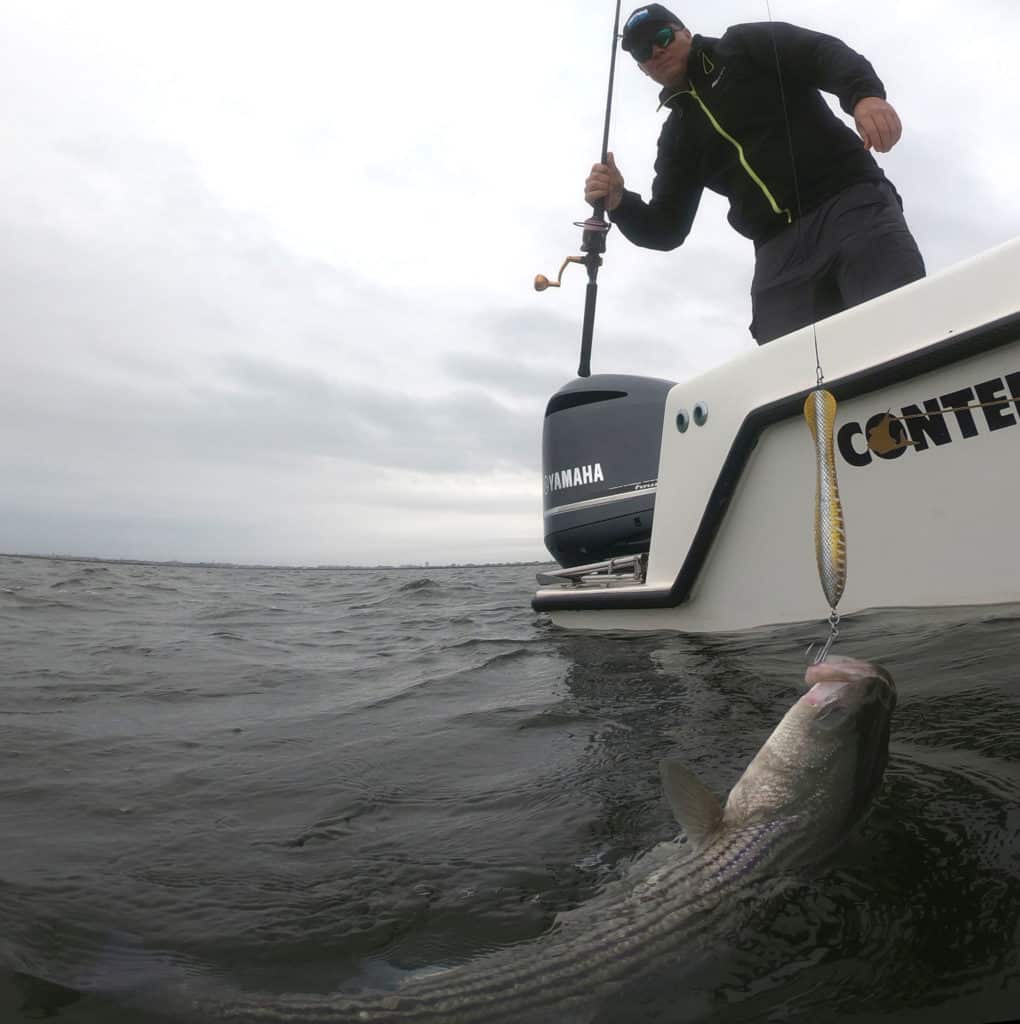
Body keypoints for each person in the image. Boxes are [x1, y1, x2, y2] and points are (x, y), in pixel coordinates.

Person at [584, 4, 926, 344]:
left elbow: (820, 52)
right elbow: (666, 228)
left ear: (685, 33)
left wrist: (863, 96)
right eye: (643, 50)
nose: (656, 50)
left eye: (662, 36)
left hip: (849, 204)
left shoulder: (741, 46)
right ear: (643, 69)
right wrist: (618, 202)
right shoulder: (677, 136)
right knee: (791, 382)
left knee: (898, 333)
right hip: (776, 251)